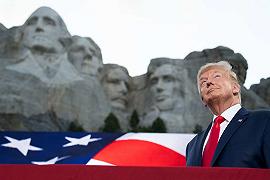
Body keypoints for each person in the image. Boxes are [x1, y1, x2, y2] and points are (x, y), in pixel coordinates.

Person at [186, 61, 270, 168]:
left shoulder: (264, 122)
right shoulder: (192, 146)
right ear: (203, 100)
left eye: (216, 76)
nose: (208, 82)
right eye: (203, 82)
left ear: (235, 88)